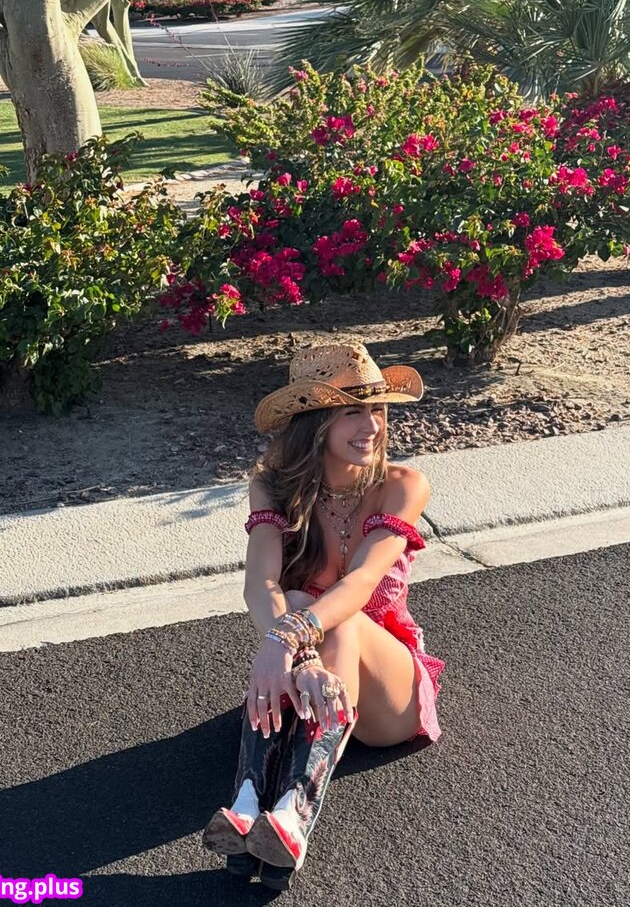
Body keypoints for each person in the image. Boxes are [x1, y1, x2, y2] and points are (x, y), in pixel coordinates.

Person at [201, 341, 446, 889]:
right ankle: (248, 807)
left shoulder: (403, 486)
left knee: (329, 616)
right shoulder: (271, 486)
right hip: (313, 677)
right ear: (314, 423)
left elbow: (360, 583)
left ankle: (294, 814)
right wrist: (292, 646)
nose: (372, 426)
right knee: (294, 605)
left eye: (378, 409)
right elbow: (260, 584)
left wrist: (285, 640)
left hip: (387, 697)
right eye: (353, 411)